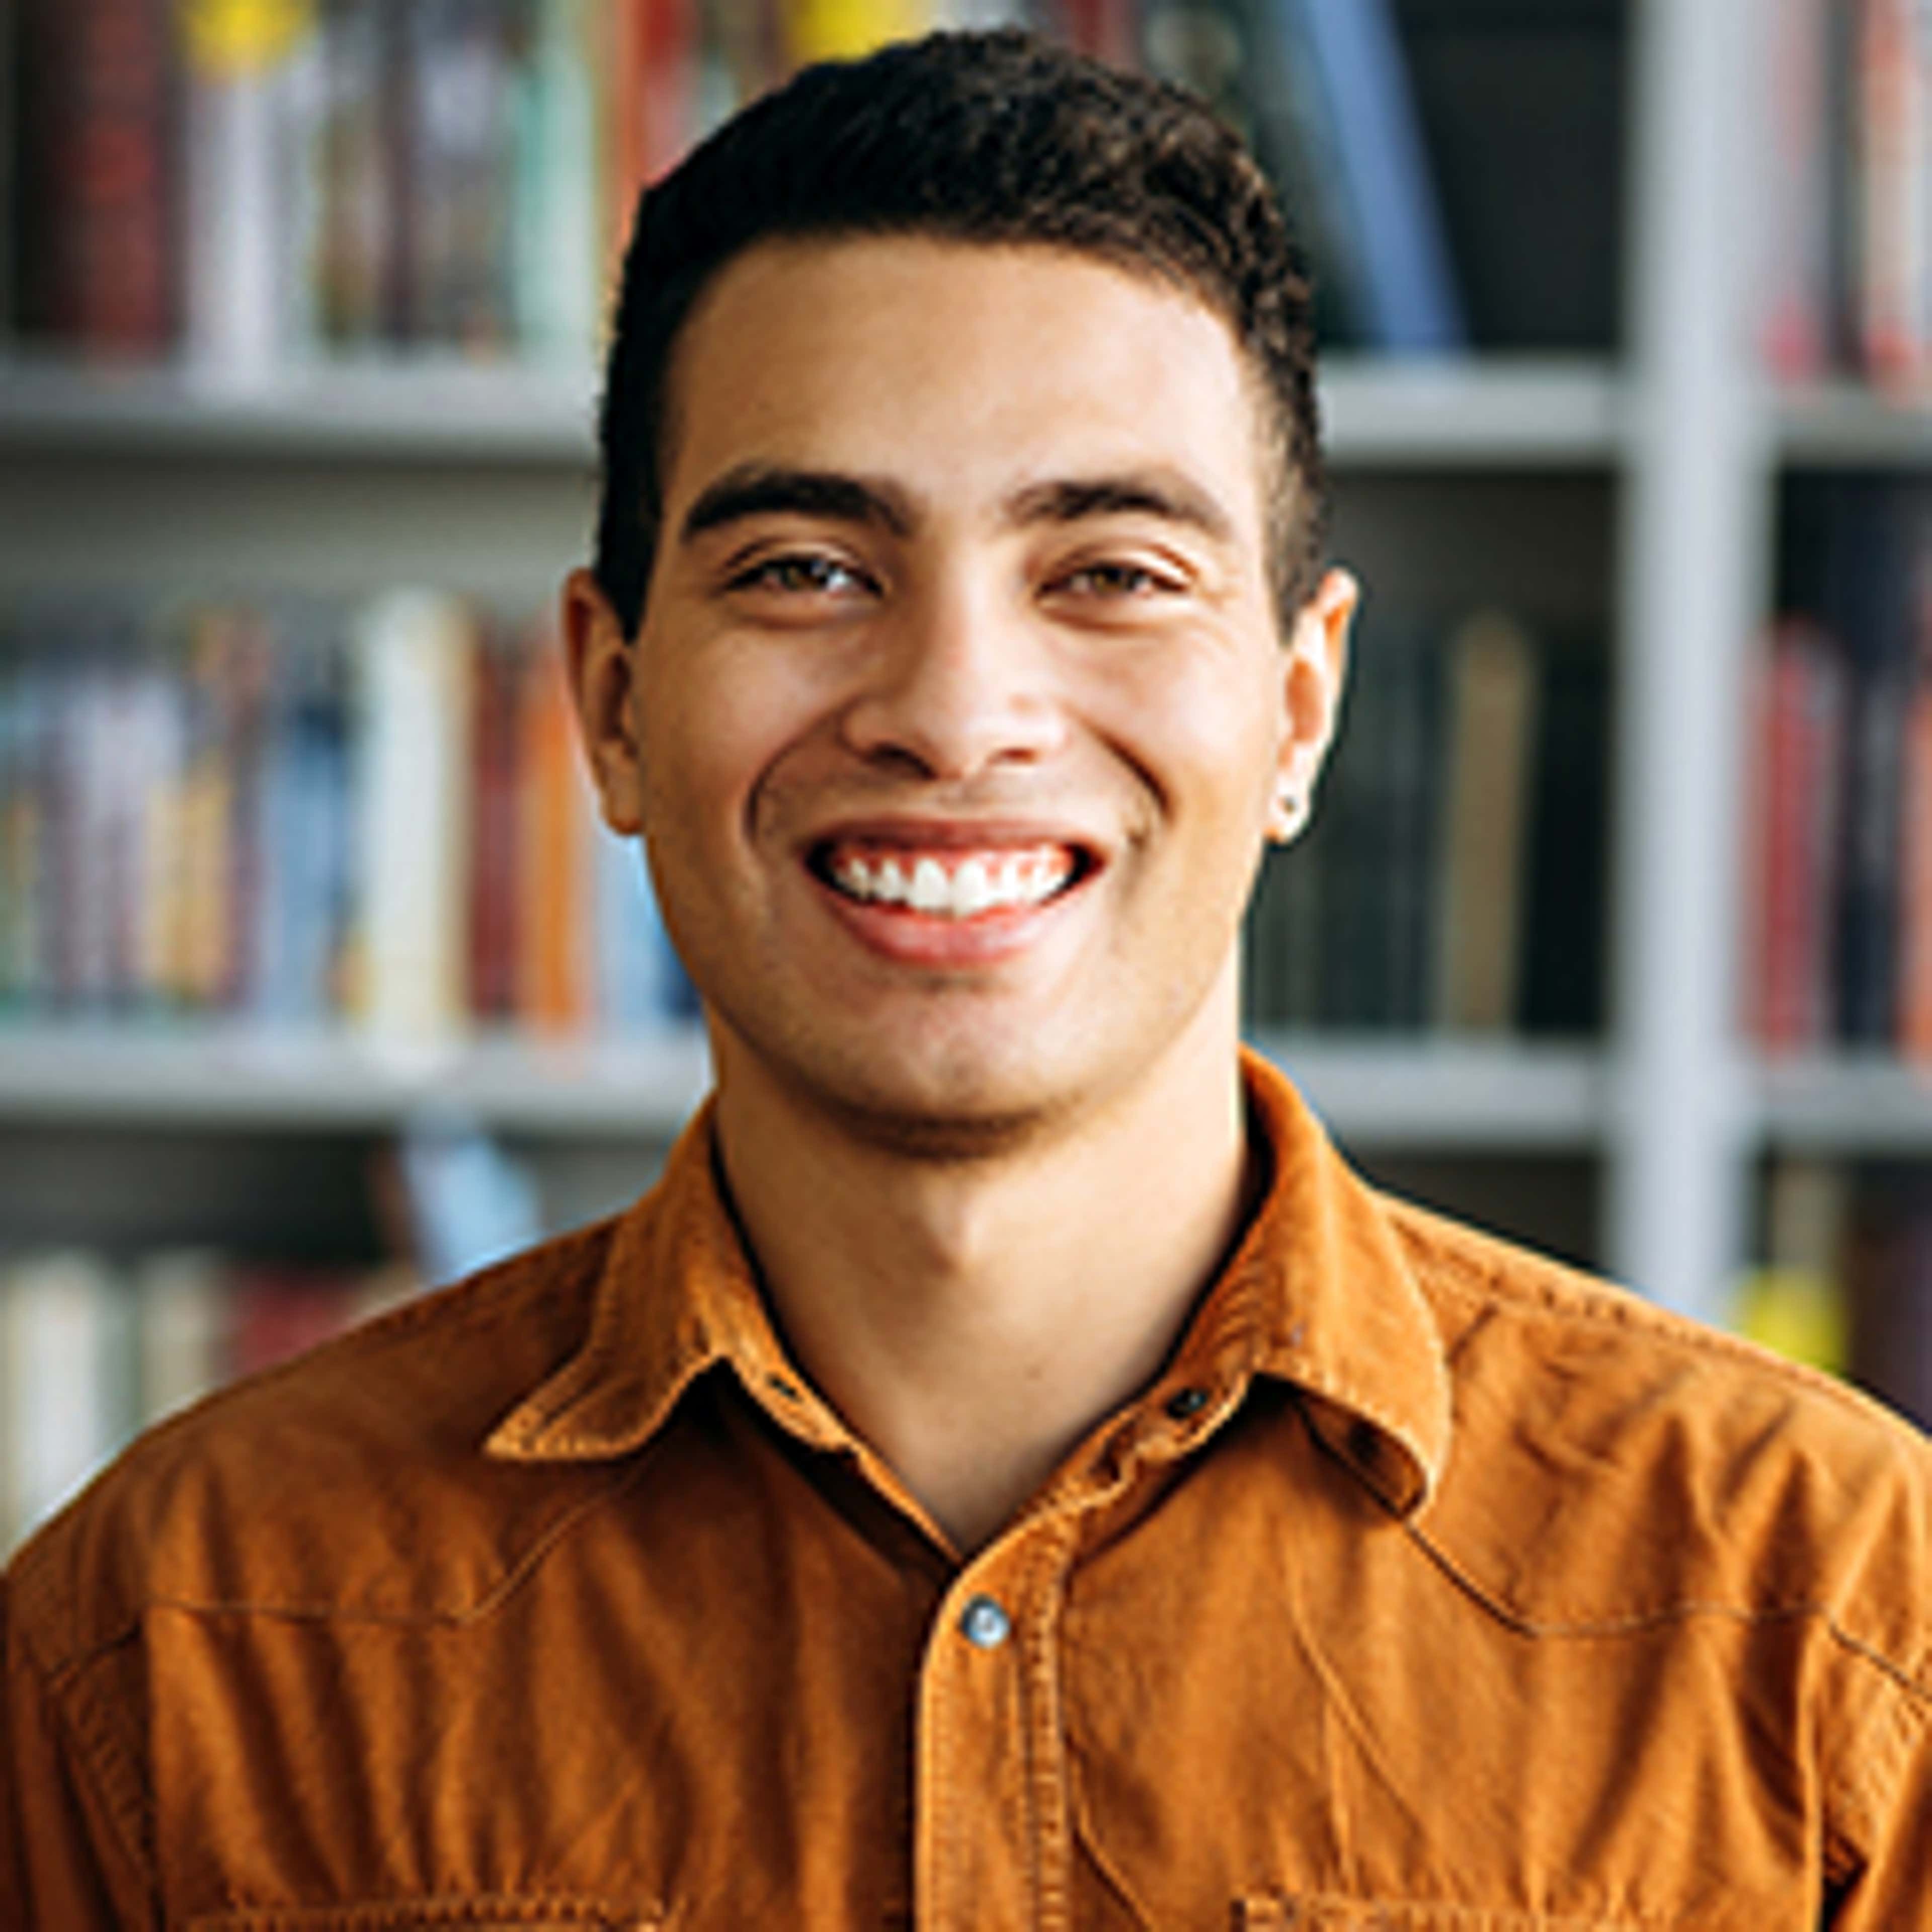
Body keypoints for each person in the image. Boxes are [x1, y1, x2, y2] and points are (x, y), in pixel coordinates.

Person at [4, 29, 1928, 1930]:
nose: (954, 714)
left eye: (1109, 571)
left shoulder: (1836, 1621)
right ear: (606, 700)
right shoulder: (166, 1639)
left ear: (1298, 708)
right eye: (806, 568)